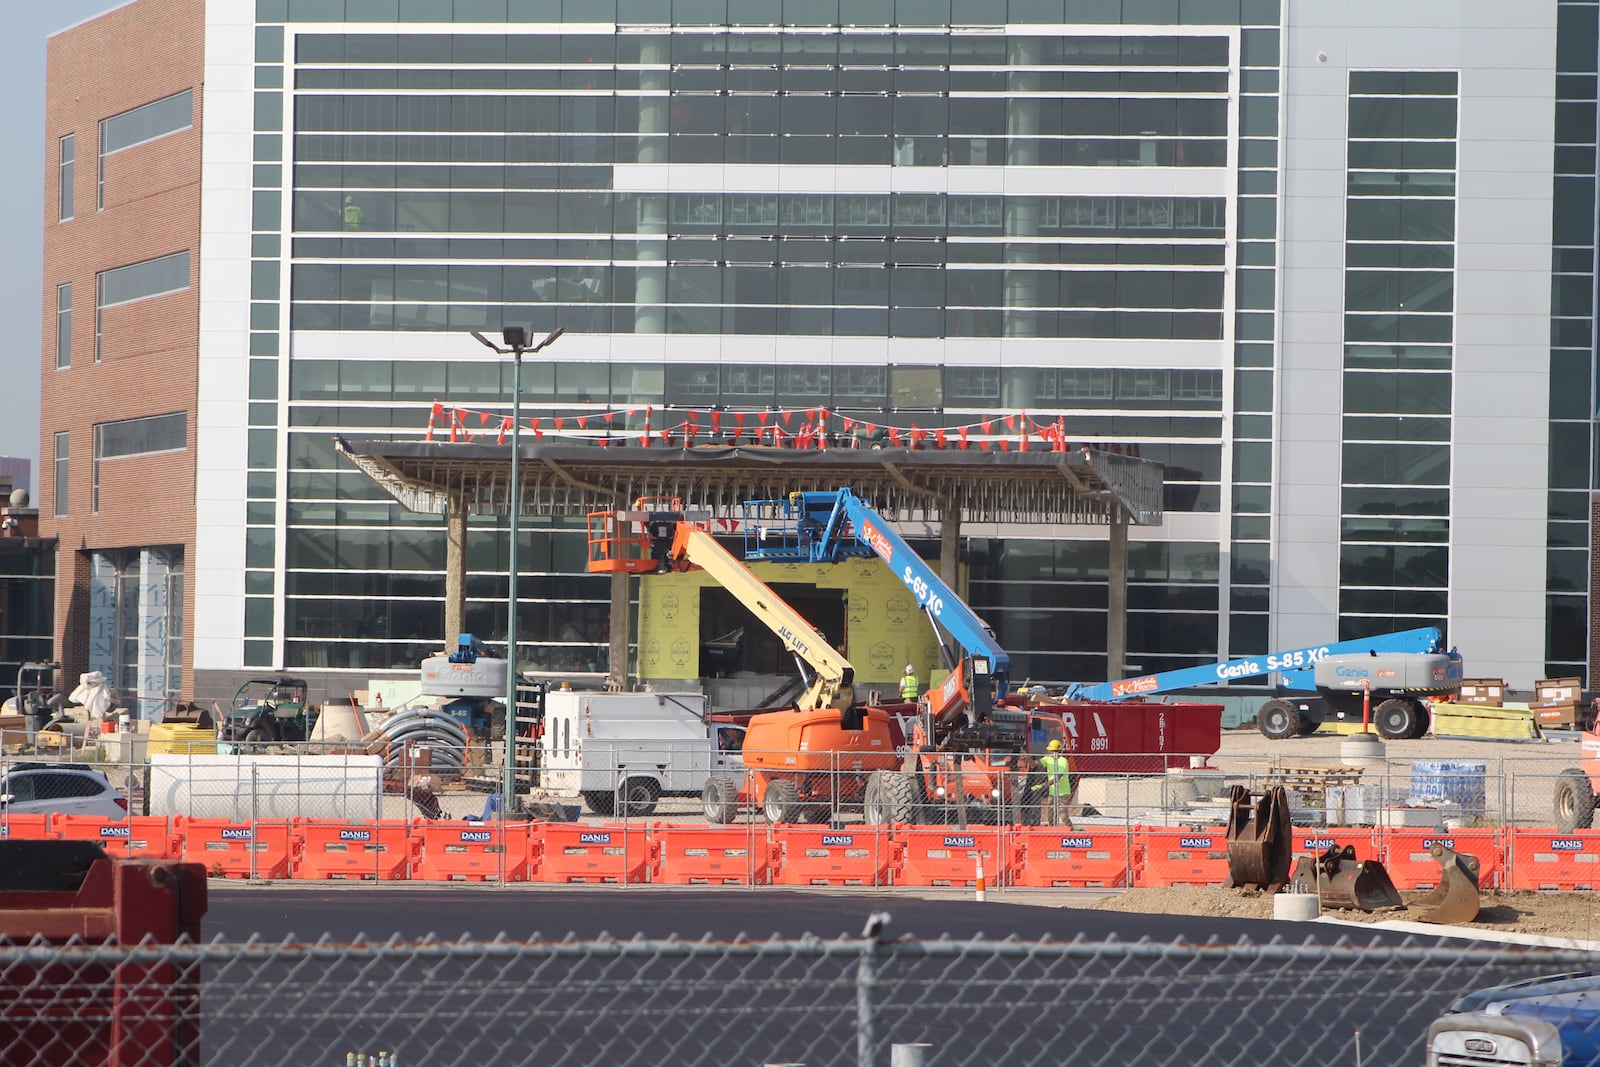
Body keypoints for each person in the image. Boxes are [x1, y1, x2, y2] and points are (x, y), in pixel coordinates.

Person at [1035, 739, 1074, 828]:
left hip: (1063, 792)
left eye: (1052, 751)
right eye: (1050, 751)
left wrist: (1047, 783)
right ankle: (1051, 828)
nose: (1050, 752)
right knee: (1050, 811)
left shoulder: (1063, 761)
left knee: (1063, 814)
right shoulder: (1048, 759)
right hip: (1053, 792)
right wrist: (1026, 756)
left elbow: (1058, 777)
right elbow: (1035, 763)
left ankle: (1071, 829)